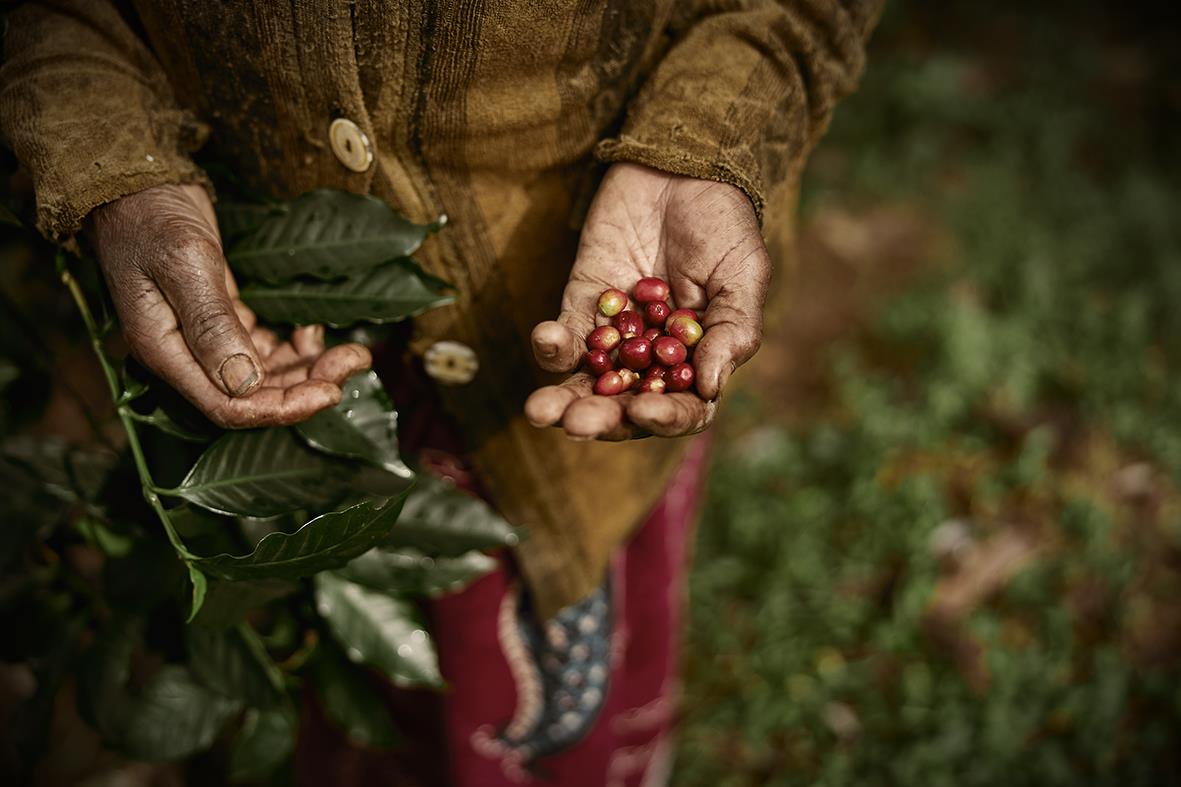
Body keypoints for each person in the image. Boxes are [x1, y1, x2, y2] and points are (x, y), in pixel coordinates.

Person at [0, 2, 881, 784]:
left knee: (534, 632)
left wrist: (707, 145)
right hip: (277, 331)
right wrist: (117, 167)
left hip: (538, 407)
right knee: (324, 655)